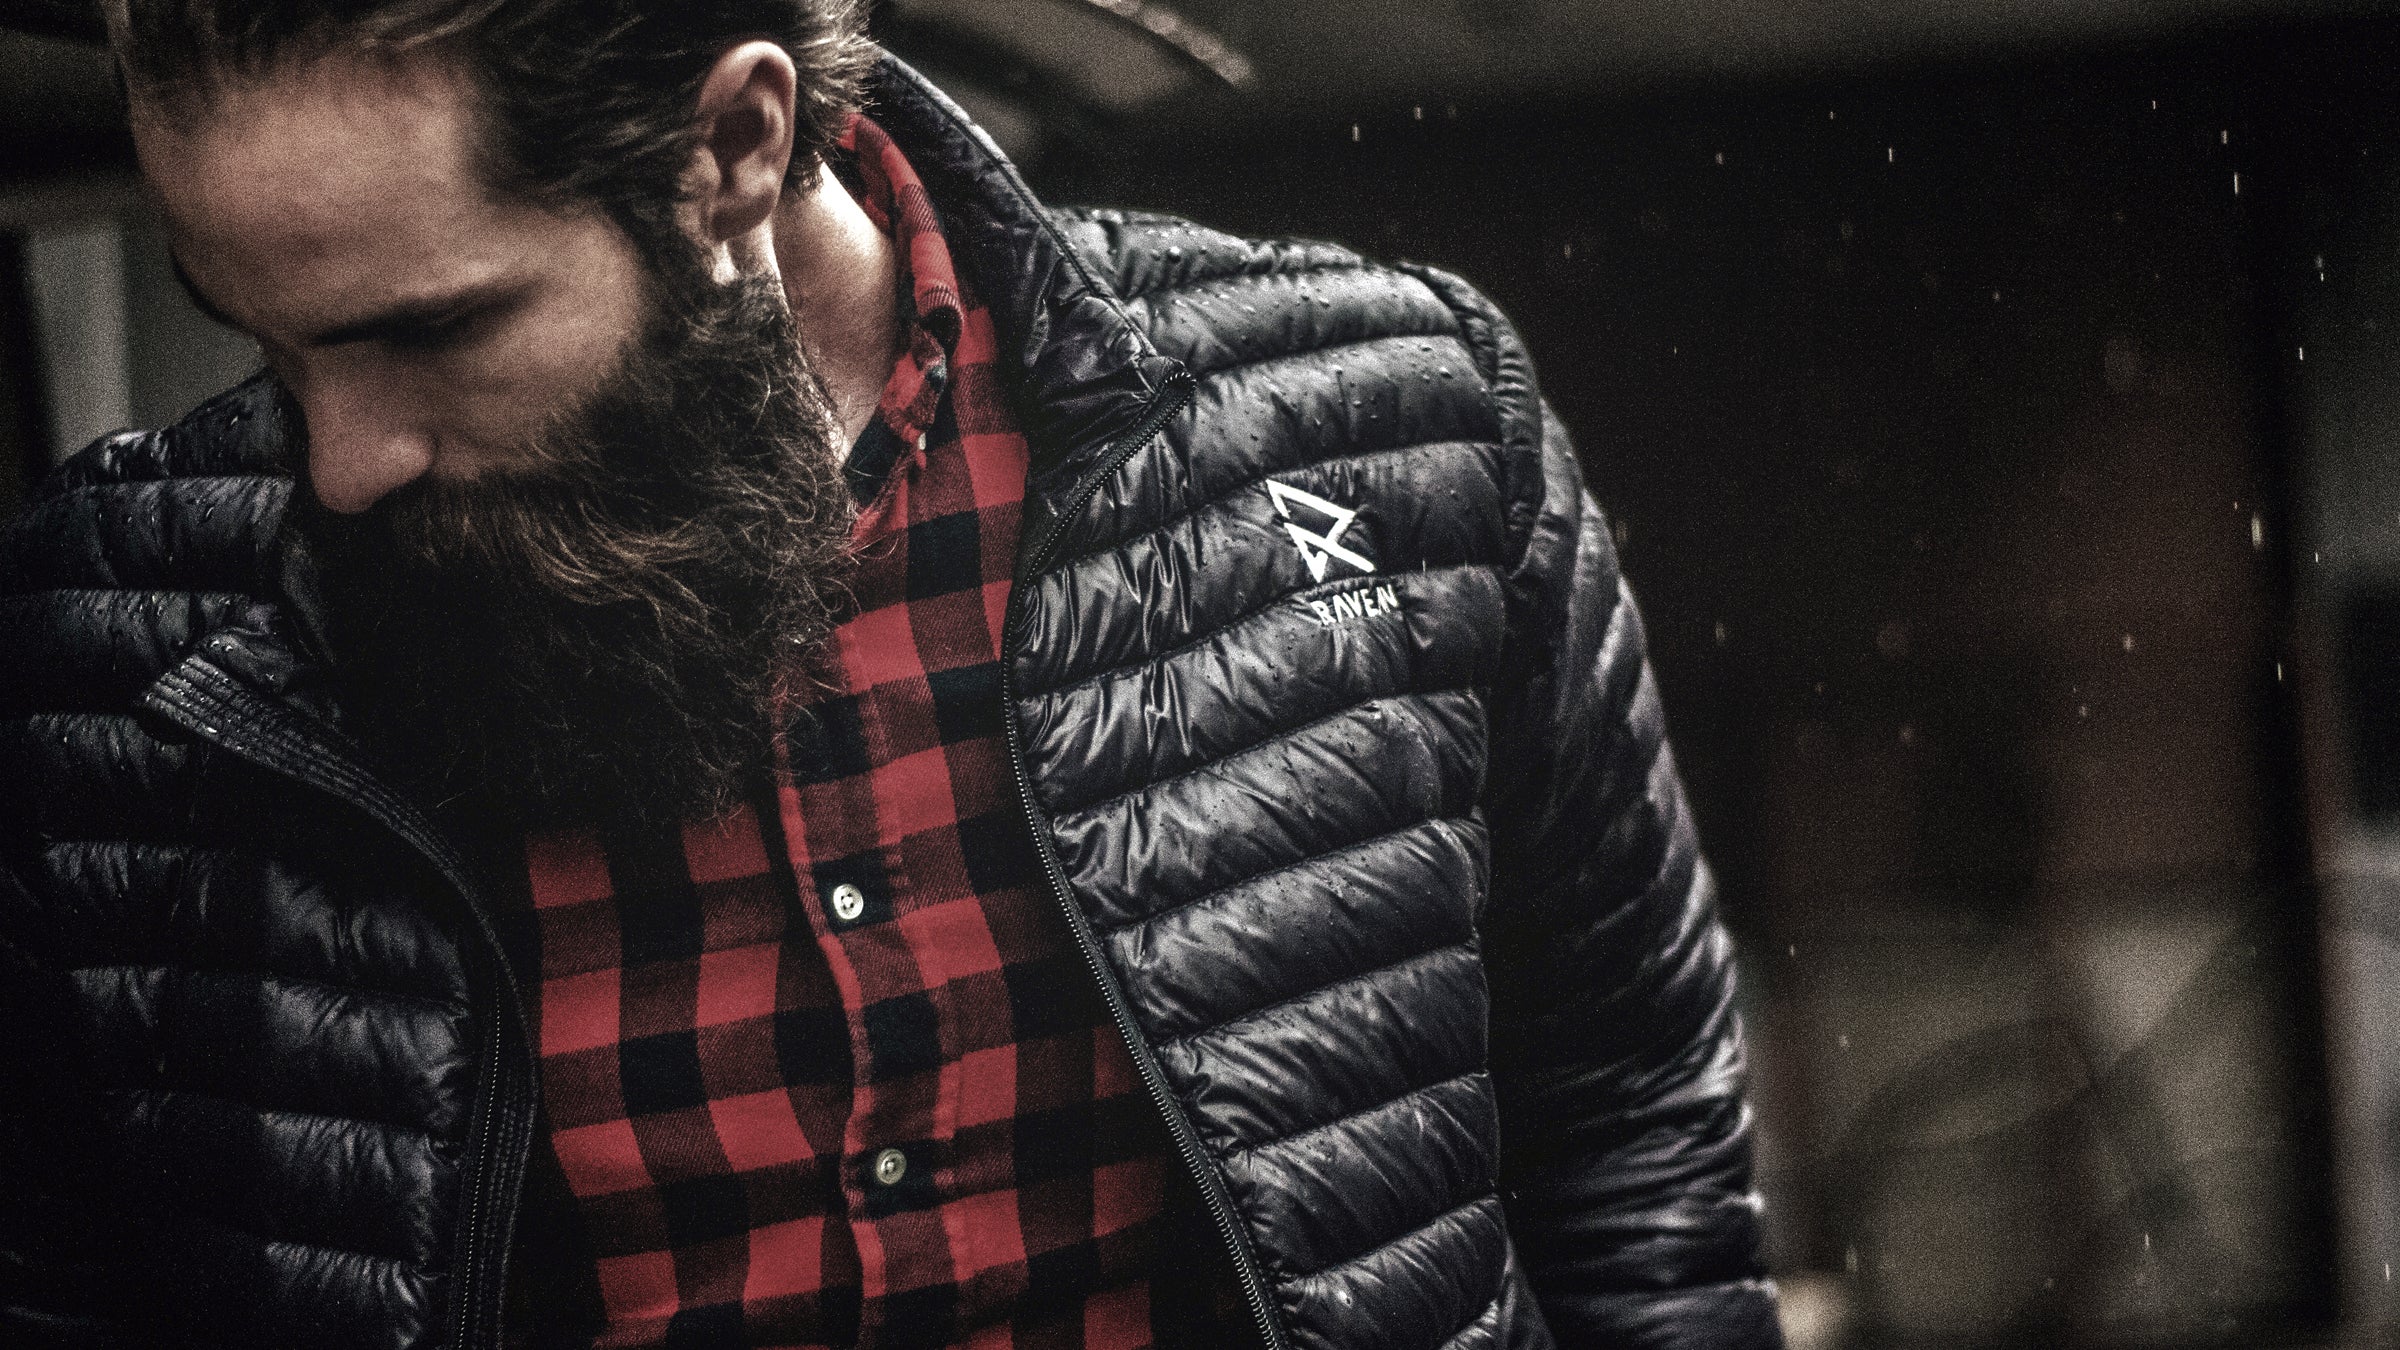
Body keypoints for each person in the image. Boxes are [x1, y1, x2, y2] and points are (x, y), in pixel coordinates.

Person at [0, 2, 1780, 1347]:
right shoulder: (107, 643)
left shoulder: (1390, 433)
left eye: (431, 328)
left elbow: (1630, 1122)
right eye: (272, 344)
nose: (339, 464)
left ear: (734, 145)